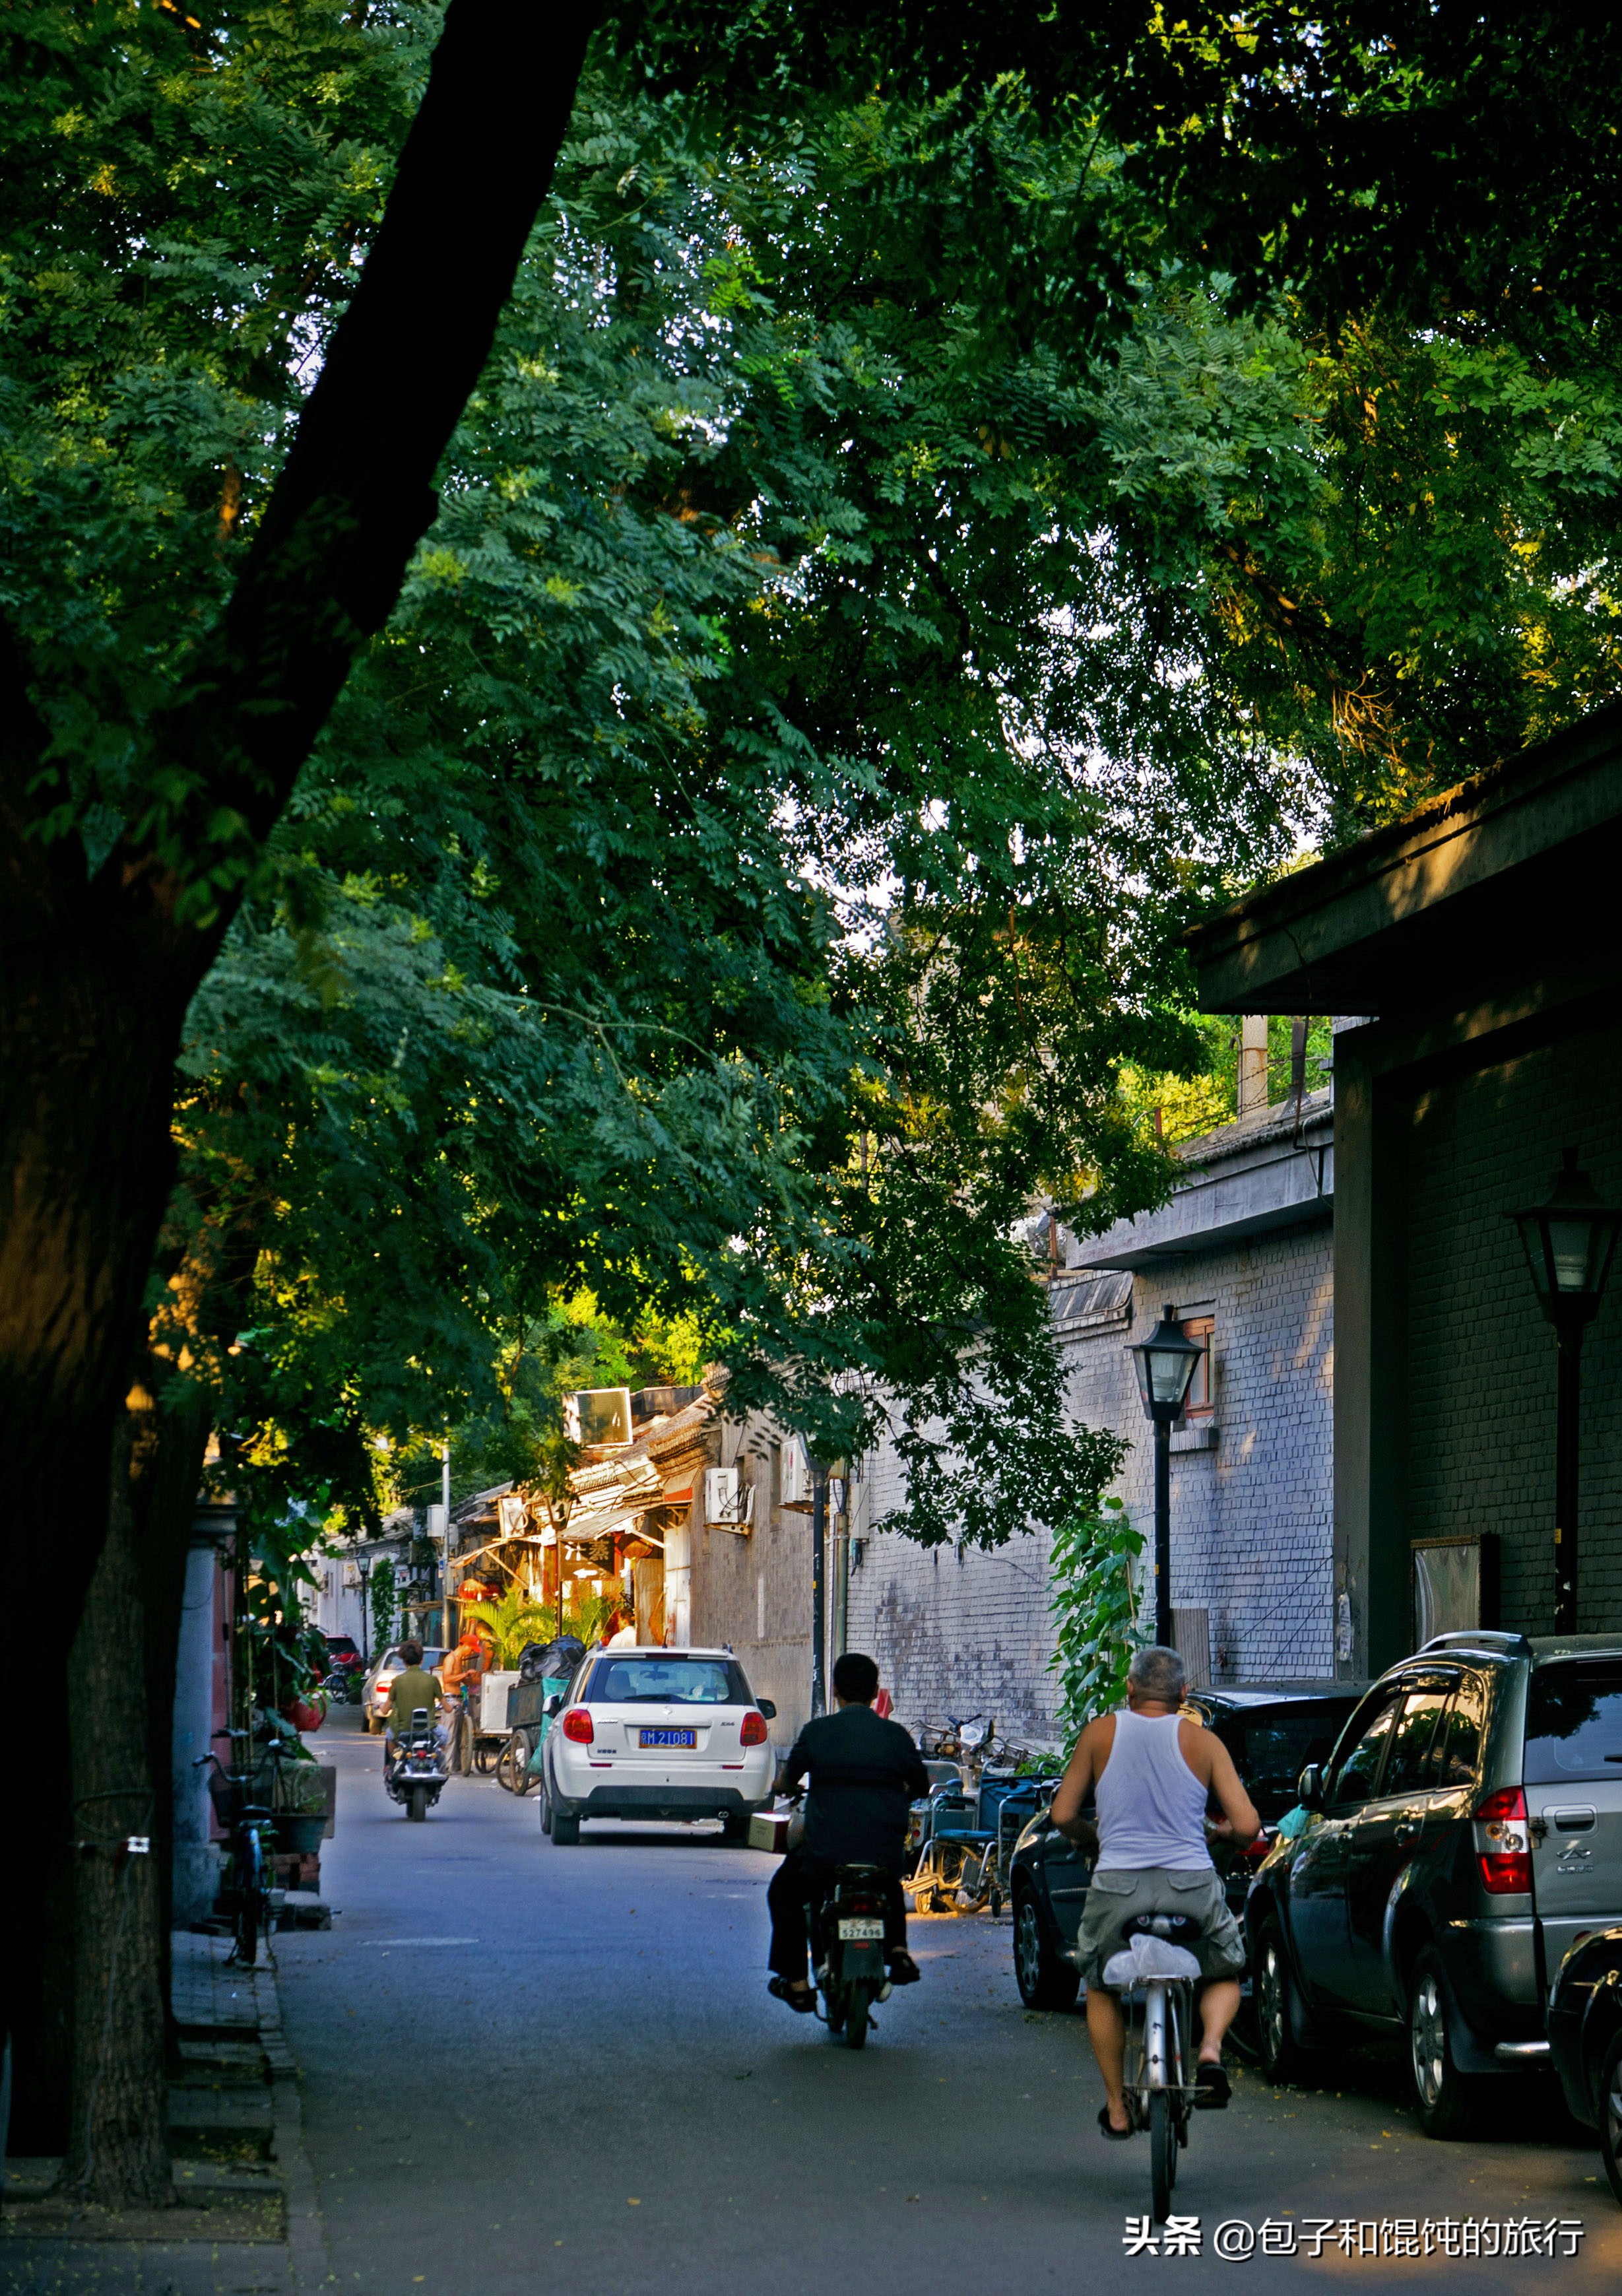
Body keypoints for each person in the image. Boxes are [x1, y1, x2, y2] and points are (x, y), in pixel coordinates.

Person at [1049, 1644, 1259, 2138]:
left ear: (1129, 1688)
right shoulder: (1202, 1742)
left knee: (1100, 1980)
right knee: (1225, 1966)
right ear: (1184, 1693)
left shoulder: (1101, 1732)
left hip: (1118, 1886)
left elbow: (1062, 1815)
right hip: (1190, 1884)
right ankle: (1209, 2048)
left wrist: (1094, 1837)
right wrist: (1224, 1834)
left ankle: (1117, 2107)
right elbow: (1249, 1825)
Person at [765, 1651, 928, 2010]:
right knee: (889, 1883)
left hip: (825, 1855)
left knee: (784, 1893)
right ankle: (898, 1951)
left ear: (835, 1690)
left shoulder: (817, 1732)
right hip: (883, 1853)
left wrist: (784, 1786)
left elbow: (788, 1780)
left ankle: (796, 1983)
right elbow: (921, 1785)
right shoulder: (897, 1736)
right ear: (875, 1692)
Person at [383, 1639, 444, 1776]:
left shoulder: (397, 1681)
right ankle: (437, 1763)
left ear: (404, 1662)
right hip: (428, 1731)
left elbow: (385, 1710)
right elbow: (447, 1707)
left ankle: (391, 1765)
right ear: (422, 1660)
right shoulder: (432, 1680)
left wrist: (381, 1707)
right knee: (445, 1736)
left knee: (389, 1735)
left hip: (403, 1731)